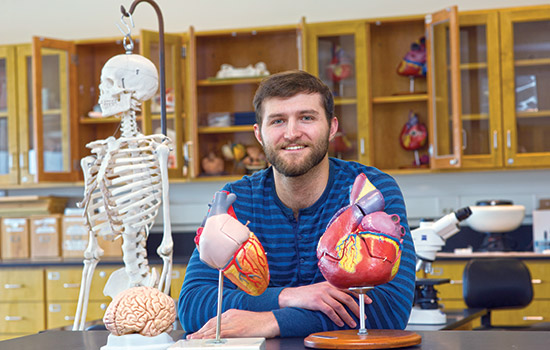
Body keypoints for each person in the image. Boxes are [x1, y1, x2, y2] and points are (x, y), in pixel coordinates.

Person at [178, 70, 416, 338]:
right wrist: (287, 297)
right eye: (278, 121)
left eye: (306, 117)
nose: (292, 133)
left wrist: (271, 322)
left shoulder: (370, 192)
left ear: (332, 127)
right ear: (259, 134)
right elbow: (192, 305)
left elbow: (390, 310)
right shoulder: (236, 201)